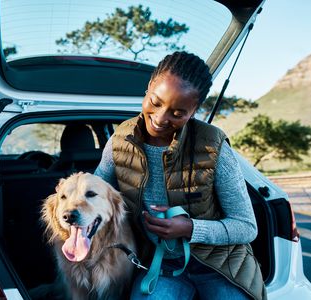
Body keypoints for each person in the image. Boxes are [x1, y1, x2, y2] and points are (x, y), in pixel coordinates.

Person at [94, 51, 266, 300]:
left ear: (194, 110)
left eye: (178, 113)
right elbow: (96, 196)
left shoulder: (213, 145)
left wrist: (189, 228)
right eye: (155, 102)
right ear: (149, 87)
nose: (161, 118)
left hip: (219, 266)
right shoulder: (120, 140)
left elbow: (246, 227)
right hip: (159, 263)